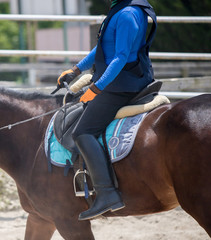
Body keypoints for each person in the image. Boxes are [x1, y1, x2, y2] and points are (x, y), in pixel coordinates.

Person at [57, 0, 157, 220]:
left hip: (121, 86)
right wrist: (76, 69)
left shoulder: (127, 15)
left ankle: (106, 193)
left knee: (82, 132)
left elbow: (120, 57)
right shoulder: (123, 10)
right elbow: (104, 48)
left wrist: (96, 87)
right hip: (122, 80)